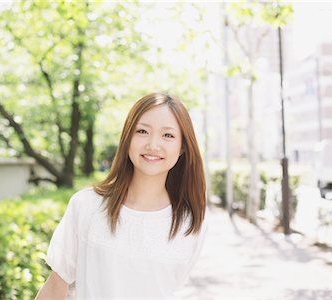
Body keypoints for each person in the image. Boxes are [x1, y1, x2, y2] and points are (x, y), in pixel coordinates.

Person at [35, 93, 208, 300]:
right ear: (127, 138)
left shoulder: (190, 221)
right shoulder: (87, 205)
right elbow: (55, 287)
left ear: (182, 148)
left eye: (168, 135)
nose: (153, 145)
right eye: (142, 131)